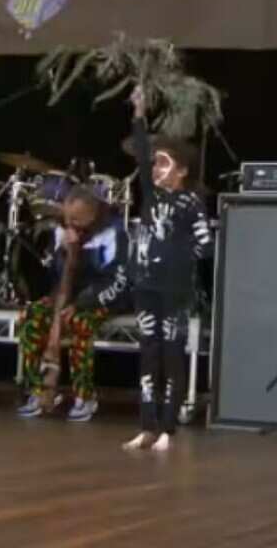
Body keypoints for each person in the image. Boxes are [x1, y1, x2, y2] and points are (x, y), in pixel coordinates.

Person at [121, 86, 214, 452]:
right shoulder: (151, 195)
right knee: (149, 352)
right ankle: (147, 426)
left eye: (165, 163)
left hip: (175, 290)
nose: (157, 169)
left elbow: (205, 244)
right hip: (146, 286)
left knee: (173, 355)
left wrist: (175, 256)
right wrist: (139, 113)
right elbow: (141, 154)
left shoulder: (191, 203)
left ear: (182, 171)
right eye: (156, 163)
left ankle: (167, 429)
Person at [16, 186, 128, 422]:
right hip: (66, 297)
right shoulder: (62, 231)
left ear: (92, 215)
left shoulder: (114, 233)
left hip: (99, 298)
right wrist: (66, 254)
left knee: (78, 322)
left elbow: (117, 281)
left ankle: (84, 396)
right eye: (67, 218)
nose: (70, 224)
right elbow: (56, 276)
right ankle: (39, 389)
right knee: (32, 316)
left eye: (76, 219)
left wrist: (81, 303)